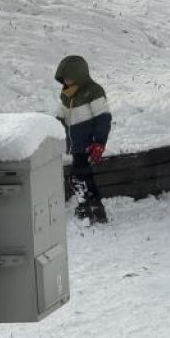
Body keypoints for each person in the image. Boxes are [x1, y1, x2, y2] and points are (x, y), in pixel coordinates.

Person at [55, 55, 111, 224]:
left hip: (89, 143)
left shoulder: (93, 91)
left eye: (69, 77)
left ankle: (84, 208)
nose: (66, 80)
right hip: (76, 145)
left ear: (79, 75)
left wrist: (99, 142)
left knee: (76, 177)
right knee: (86, 177)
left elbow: (103, 118)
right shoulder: (67, 94)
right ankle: (96, 208)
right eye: (64, 78)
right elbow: (60, 118)